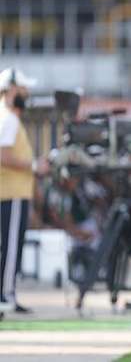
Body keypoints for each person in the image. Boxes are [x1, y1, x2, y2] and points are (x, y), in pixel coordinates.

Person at [0, 68, 48, 315]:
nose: (27, 94)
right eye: (22, 89)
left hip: (12, 191)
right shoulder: (7, 118)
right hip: (11, 192)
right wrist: (33, 166)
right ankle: (5, 294)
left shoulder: (7, 117)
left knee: (9, 245)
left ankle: (7, 293)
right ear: (10, 89)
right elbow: (3, 155)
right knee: (10, 246)